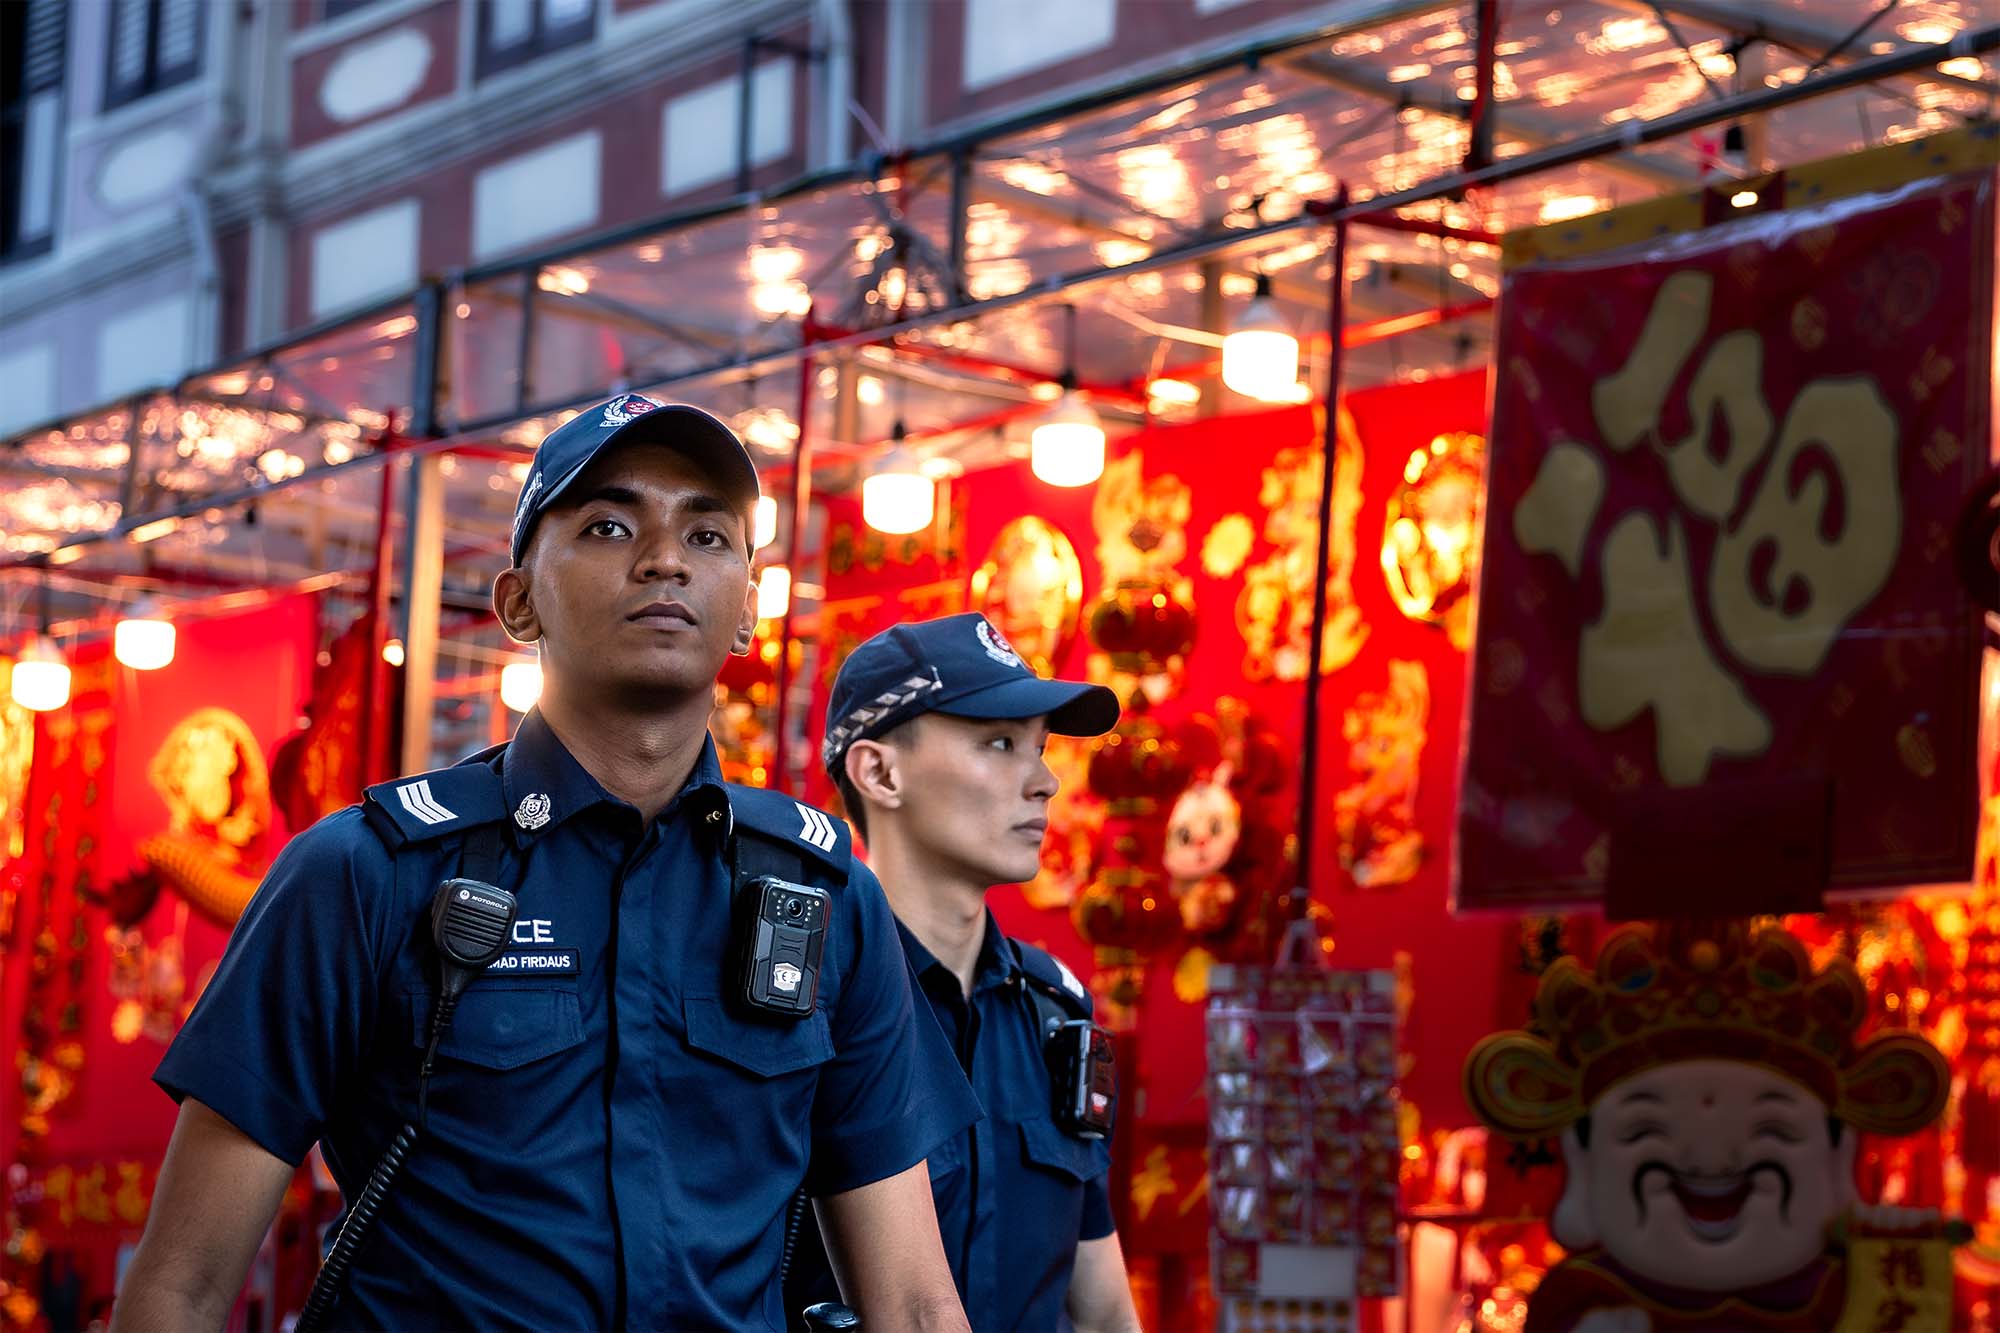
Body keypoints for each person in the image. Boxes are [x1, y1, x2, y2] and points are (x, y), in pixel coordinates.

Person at [113, 394, 975, 1332]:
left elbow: (915, 1304)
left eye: (710, 536)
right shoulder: (363, 874)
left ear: (747, 615)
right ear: (518, 601)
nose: (665, 559)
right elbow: (181, 1290)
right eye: (609, 524)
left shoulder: (824, 896)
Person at [789, 613, 1144, 1332]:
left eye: (1041, 748)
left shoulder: (1057, 1017)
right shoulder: (796, 1007)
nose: (1044, 781)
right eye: (1001, 743)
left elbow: (1104, 1310)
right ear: (880, 771)